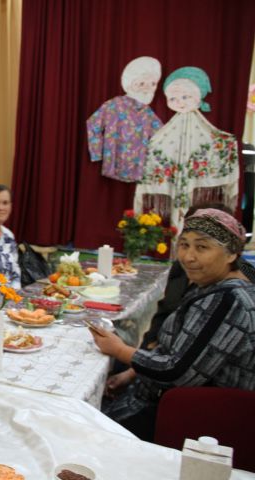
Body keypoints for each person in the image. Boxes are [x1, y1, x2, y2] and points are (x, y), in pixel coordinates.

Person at [90, 208, 255, 441]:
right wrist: (132, 373)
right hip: (172, 401)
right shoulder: (216, 286)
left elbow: (176, 372)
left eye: (202, 247)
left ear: (231, 254)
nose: (188, 256)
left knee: (79, 426)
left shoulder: (227, 300)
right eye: (184, 245)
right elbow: (184, 349)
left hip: (196, 421)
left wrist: (119, 349)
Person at [135, 66, 239, 233]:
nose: (180, 102)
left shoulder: (202, 126)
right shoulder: (167, 130)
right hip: (175, 169)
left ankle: (186, 236)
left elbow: (217, 141)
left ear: (198, 97)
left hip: (190, 170)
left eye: (185, 96)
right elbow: (156, 142)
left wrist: (228, 143)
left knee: (189, 204)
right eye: (174, 98)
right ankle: (177, 236)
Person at [87, 56, 163, 182]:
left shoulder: (147, 111)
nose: (147, 88)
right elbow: (93, 123)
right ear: (130, 83)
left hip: (139, 169)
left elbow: (161, 134)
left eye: (153, 84)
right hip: (114, 165)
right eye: (142, 83)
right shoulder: (113, 105)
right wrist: (97, 152)